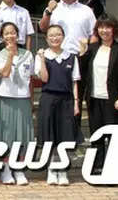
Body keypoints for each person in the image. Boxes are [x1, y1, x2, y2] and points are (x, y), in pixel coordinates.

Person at [39, 0, 96, 138]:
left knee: (79, 97)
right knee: (61, 99)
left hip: (80, 57)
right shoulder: (54, 9)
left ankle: (75, 137)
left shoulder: (86, 11)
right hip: (58, 58)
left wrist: (87, 49)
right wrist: (48, 11)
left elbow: (94, 34)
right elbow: (43, 28)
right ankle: (60, 137)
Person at [79, 14, 118, 175]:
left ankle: (115, 165)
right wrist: (82, 52)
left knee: (113, 134)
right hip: (94, 98)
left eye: (108, 27)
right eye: (101, 27)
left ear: (114, 29)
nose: (104, 30)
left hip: (113, 99)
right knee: (96, 133)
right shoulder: (93, 48)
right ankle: (98, 164)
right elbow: (82, 72)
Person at [34, 24, 81, 186]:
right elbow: (44, 79)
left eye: (58, 34)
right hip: (48, 98)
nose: (54, 37)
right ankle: (51, 170)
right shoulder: (42, 56)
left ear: (63, 37)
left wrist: (76, 103)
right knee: (49, 136)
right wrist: (42, 61)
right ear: (46, 38)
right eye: (51, 35)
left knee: (65, 135)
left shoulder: (72, 57)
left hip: (66, 100)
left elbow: (75, 82)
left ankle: (63, 171)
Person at [0, 22, 34, 186]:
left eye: (13, 33)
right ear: (1, 37)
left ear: (18, 35)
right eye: (6, 34)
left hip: (23, 99)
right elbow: (4, 73)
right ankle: (6, 169)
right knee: (7, 134)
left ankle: (19, 169)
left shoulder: (28, 55)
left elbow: (31, 79)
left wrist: (31, 100)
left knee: (22, 134)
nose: (10, 36)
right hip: (6, 99)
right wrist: (10, 56)